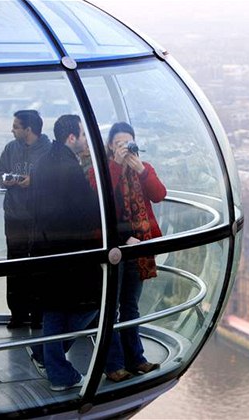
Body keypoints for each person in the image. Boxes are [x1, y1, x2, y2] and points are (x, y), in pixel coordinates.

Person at [29, 114, 103, 391]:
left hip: (46, 249)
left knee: (55, 309)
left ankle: (45, 355)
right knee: (90, 304)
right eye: (83, 136)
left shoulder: (44, 161)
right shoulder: (69, 168)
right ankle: (58, 371)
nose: (85, 141)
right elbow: (90, 211)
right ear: (71, 137)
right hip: (70, 253)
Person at [97, 122, 166, 377]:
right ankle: (113, 365)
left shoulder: (143, 169)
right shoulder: (104, 170)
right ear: (109, 147)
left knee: (130, 306)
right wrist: (116, 165)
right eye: (119, 145)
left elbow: (159, 194)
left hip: (139, 249)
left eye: (129, 144)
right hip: (114, 250)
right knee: (111, 309)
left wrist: (142, 172)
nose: (126, 150)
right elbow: (99, 198)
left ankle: (135, 358)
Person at [0, 110, 51, 329]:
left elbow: (56, 180)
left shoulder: (49, 150)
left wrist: (34, 181)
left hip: (39, 218)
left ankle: (38, 315)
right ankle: (17, 314)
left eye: (16, 126)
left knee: (39, 266)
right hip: (15, 216)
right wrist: (5, 180)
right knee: (15, 265)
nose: (12, 129)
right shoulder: (11, 148)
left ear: (28, 130)